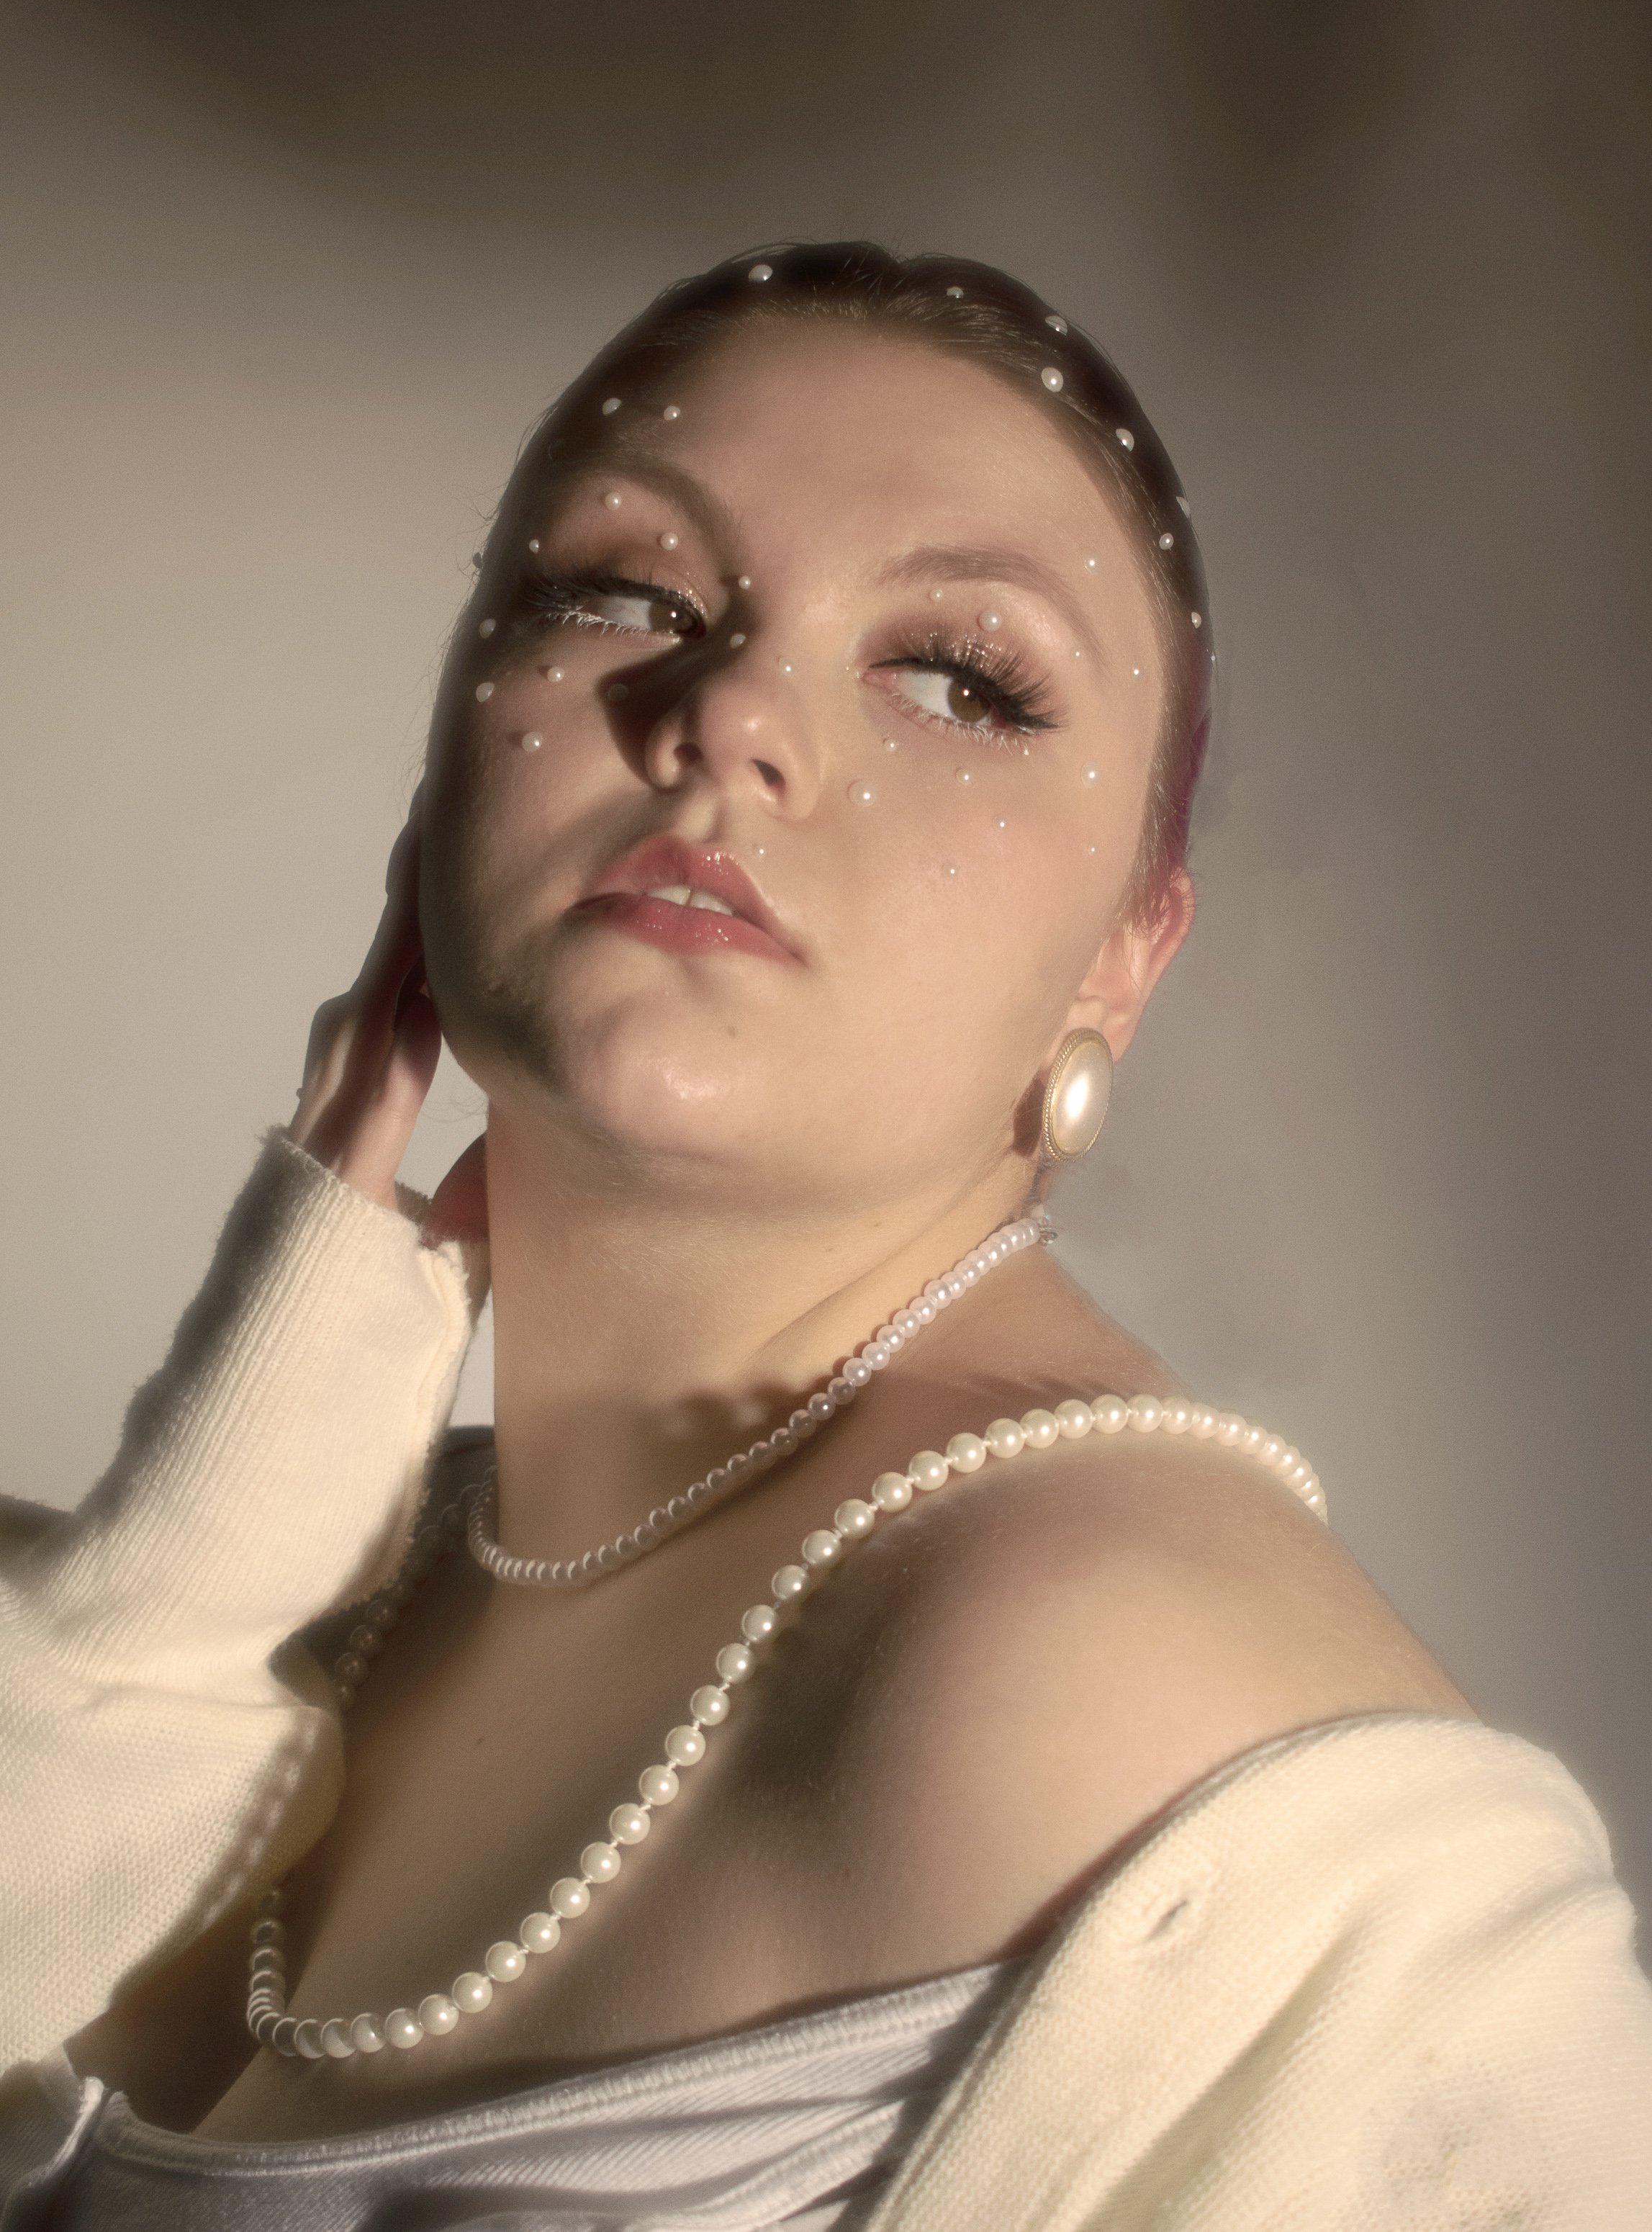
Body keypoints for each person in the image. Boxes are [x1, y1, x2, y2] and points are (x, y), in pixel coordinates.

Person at [3, 243, 1649, 2227]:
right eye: (624, 591)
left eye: (960, 676)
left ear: (1124, 961)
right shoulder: (300, 1586)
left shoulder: (1126, 1699)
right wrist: (192, 1567)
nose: (730, 713)